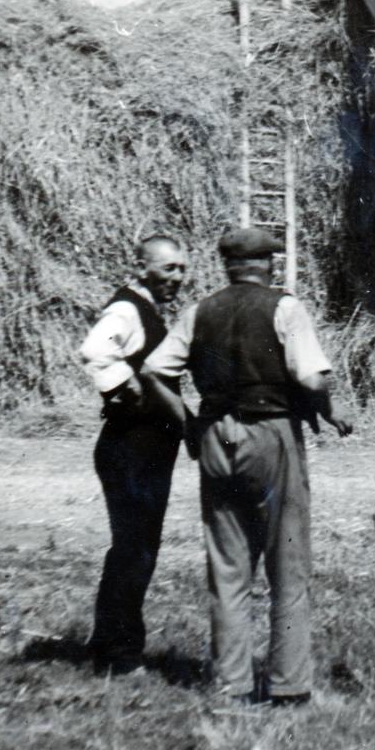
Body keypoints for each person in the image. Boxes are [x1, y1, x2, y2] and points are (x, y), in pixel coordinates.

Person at [142, 227, 352, 706]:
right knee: (288, 564)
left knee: (228, 568)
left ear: (227, 267)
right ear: (270, 266)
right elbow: (309, 375)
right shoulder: (285, 307)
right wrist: (330, 406)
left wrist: (190, 425)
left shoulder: (200, 311)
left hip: (216, 435)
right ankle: (290, 685)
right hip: (270, 434)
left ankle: (231, 684)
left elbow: (155, 372)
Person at [79, 235, 189, 674]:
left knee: (135, 547)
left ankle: (109, 644)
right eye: (168, 269)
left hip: (145, 448)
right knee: (135, 550)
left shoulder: (146, 308)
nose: (177, 278)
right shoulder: (126, 309)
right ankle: (120, 657)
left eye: (182, 269)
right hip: (130, 448)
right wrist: (132, 389)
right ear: (142, 266)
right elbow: (94, 350)